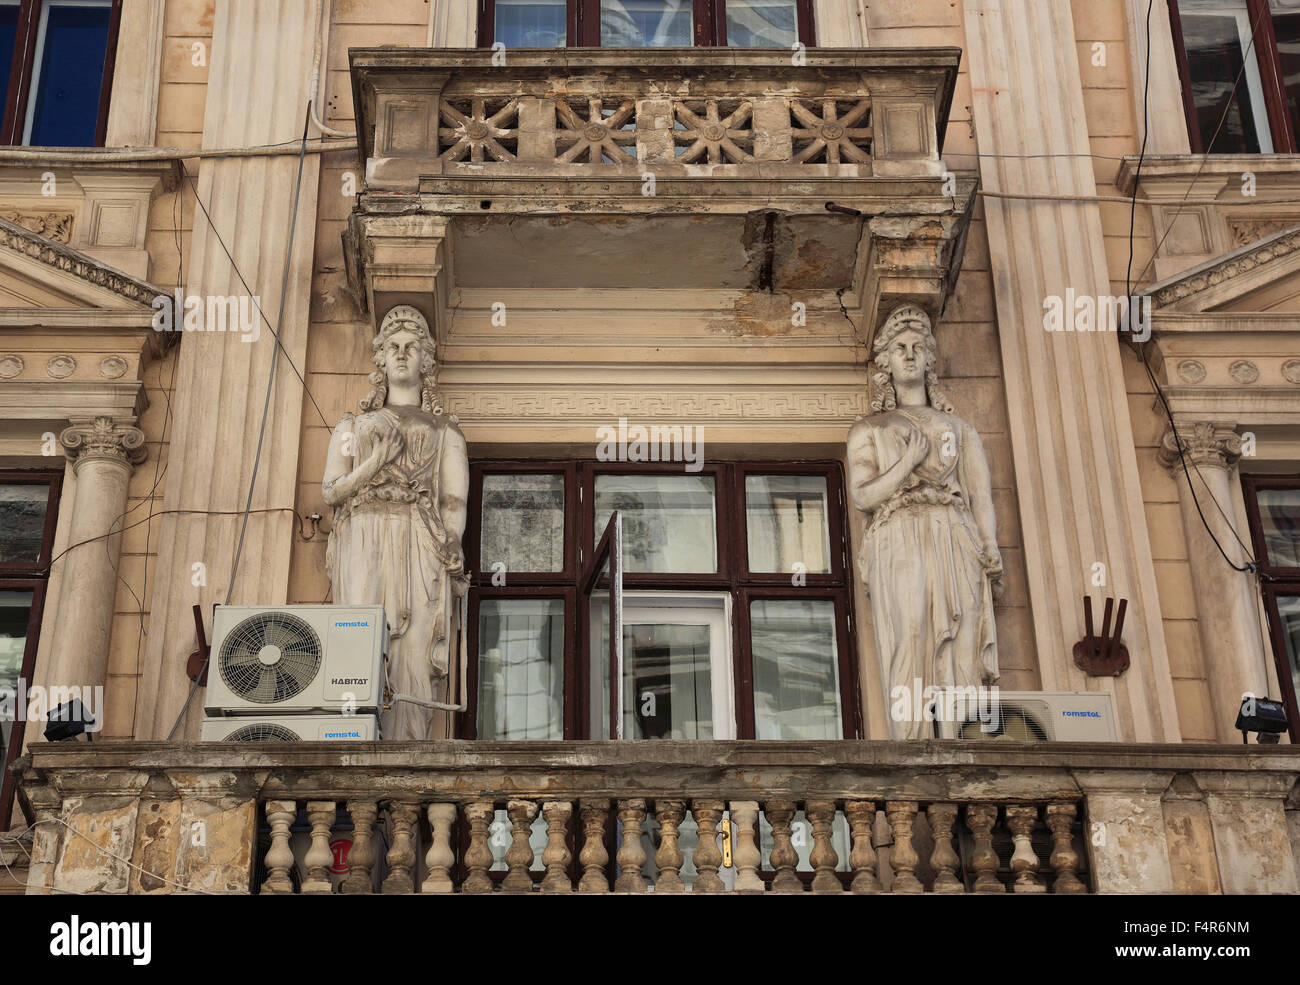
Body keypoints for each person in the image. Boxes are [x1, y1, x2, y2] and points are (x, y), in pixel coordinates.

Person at [846, 305, 1002, 739]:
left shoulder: (959, 427)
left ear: (931, 359)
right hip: (898, 534)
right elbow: (863, 495)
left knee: (962, 639)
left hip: (954, 532)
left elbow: (979, 495)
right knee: (910, 635)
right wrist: (907, 464)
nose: (910, 355)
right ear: (886, 363)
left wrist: (989, 544)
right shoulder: (869, 429)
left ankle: (961, 741)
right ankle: (913, 742)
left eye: (918, 348)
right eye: (899, 348)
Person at [323, 305, 469, 740]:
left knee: (415, 643)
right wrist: (374, 464)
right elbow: (331, 490)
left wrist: (453, 540)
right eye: (393, 347)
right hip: (362, 532)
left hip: (420, 536)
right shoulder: (353, 425)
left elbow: (453, 498)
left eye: (412, 348)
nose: (402, 355)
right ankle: (357, 737)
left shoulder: (445, 431)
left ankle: (406, 741)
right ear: (380, 360)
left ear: (426, 360)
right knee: (362, 630)